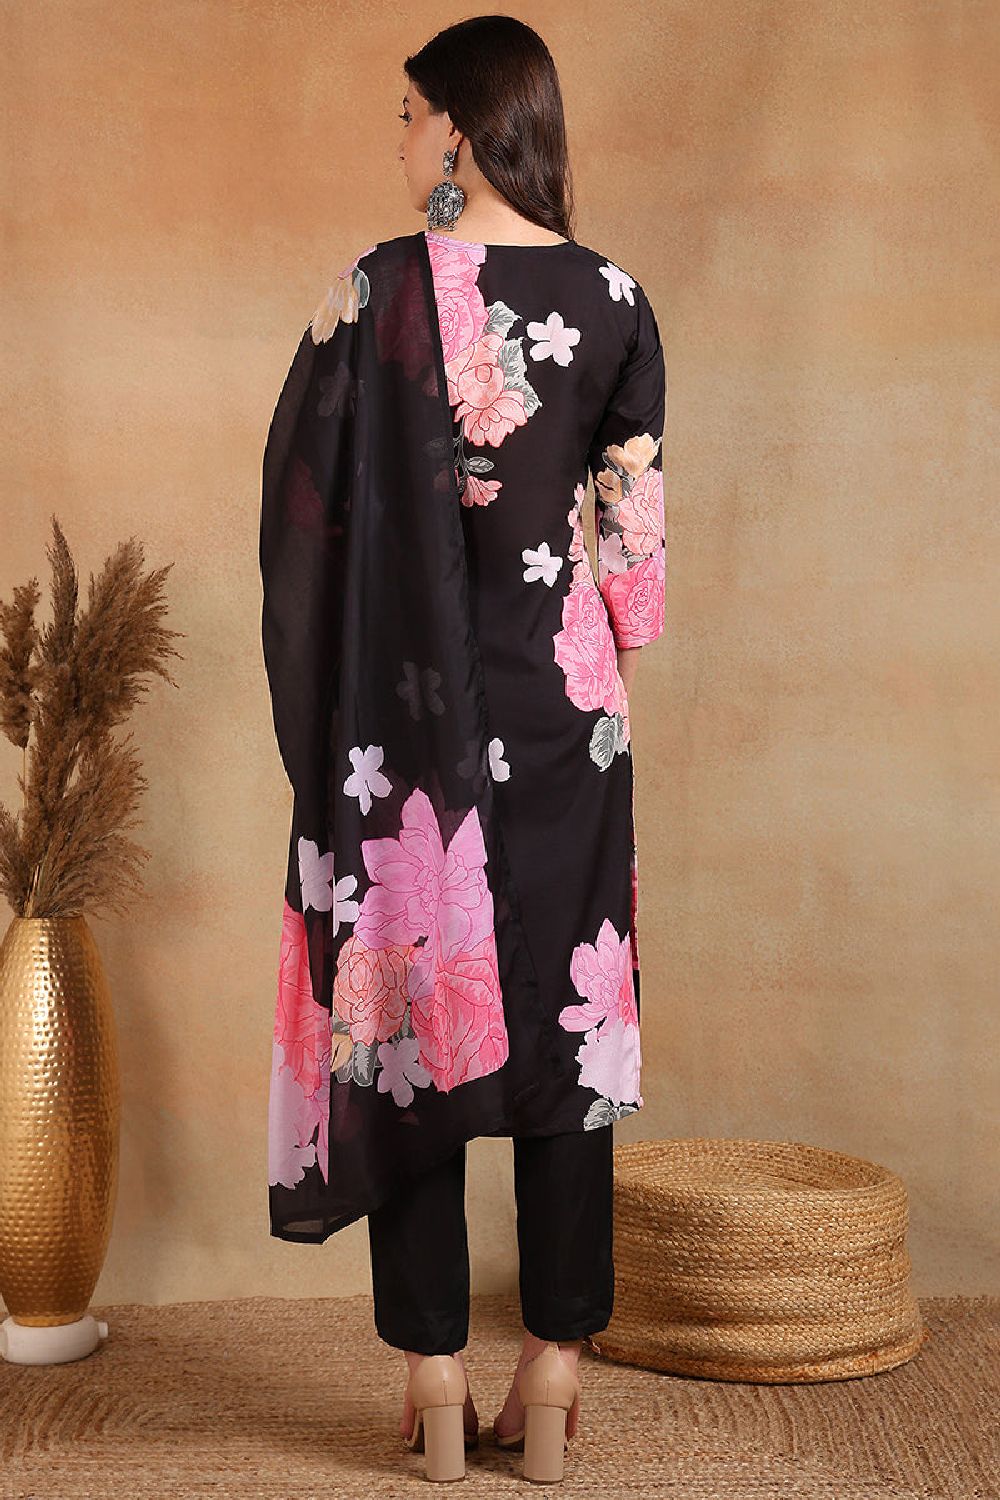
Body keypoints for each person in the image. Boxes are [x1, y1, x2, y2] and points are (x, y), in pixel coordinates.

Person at [260, 14, 666, 1485]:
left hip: (405, 721)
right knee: (571, 1029)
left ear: (457, 125)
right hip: (567, 719)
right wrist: (593, 649)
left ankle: (436, 1376)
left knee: (410, 1032)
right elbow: (634, 567)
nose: (402, 138)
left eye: (408, 113)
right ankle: (553, 1367)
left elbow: (300, 512)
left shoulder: (376, 289)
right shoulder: (615, 298)